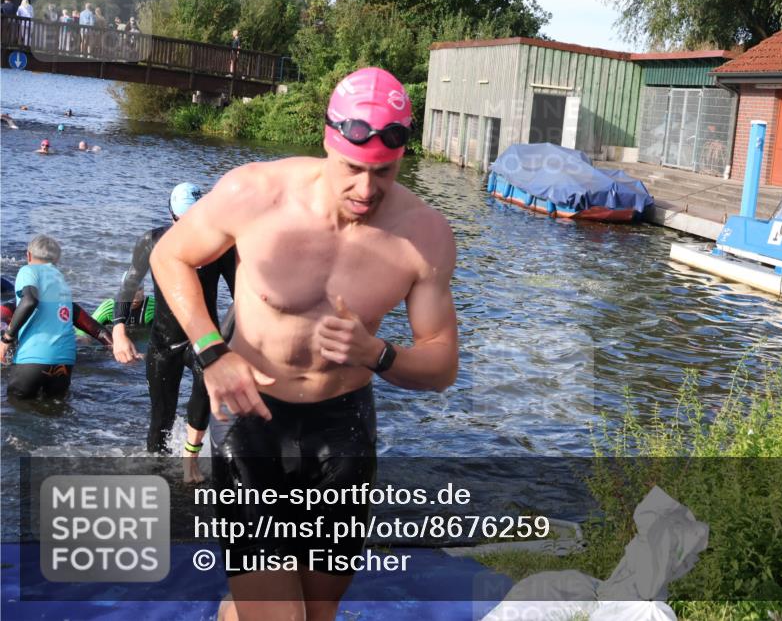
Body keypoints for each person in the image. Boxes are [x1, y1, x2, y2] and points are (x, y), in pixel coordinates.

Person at [150, 66, 458, 620]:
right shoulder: (256, 192)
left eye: (384, 173)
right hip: (251, 424)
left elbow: (441, 364)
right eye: (353, 169)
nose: (367, 190)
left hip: (343, 432)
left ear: (402, 156)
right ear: (327, 141)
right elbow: (169, 255)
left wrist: (378, 355)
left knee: (315, 616)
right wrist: (212, 352)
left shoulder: (425, 234)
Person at [113, 183, 236, 483]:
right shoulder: (152, 241)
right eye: (183, 220)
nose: (188, 229)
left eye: (195, 219)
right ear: (171, 215)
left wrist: (231, 339)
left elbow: (241, 295)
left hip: (202, 338)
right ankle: (156, 475)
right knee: (161, 418)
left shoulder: (219, 246)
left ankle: (189, 459)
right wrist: (118, 330)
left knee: (206, 392)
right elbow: (129, 285)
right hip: (163, 342)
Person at [1, 236, 112, 401]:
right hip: (65, 361)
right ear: (57, 259)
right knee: (55, 412)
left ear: (28, 256)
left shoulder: (28, 271)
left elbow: (29, 300)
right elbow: (92, 326)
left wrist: (6, 339)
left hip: (33, 358)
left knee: (17, 409)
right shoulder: (62, 282)